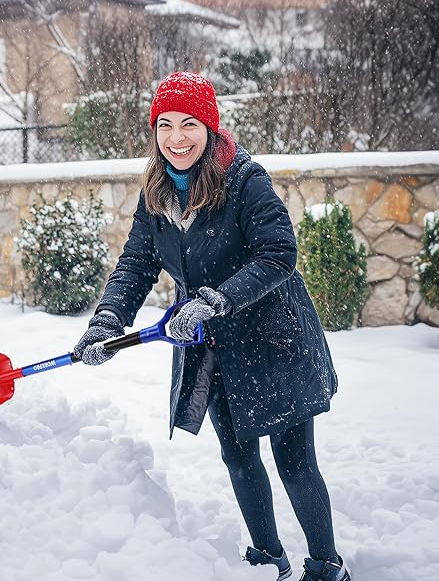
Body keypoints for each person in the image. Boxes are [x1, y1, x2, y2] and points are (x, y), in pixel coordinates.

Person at [73, 71, 352, 581]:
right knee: (238, 456)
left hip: (273, 339)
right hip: (212, 345)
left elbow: (278, 253)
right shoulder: (156, 192)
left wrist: (217, 300)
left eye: (189, 124)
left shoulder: (244, 180)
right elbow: (136, 262)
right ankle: (268, 558)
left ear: (209, 127)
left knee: (294, 461)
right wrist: (107, 320)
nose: (176, 138)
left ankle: (326, 565)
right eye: (165, 125)